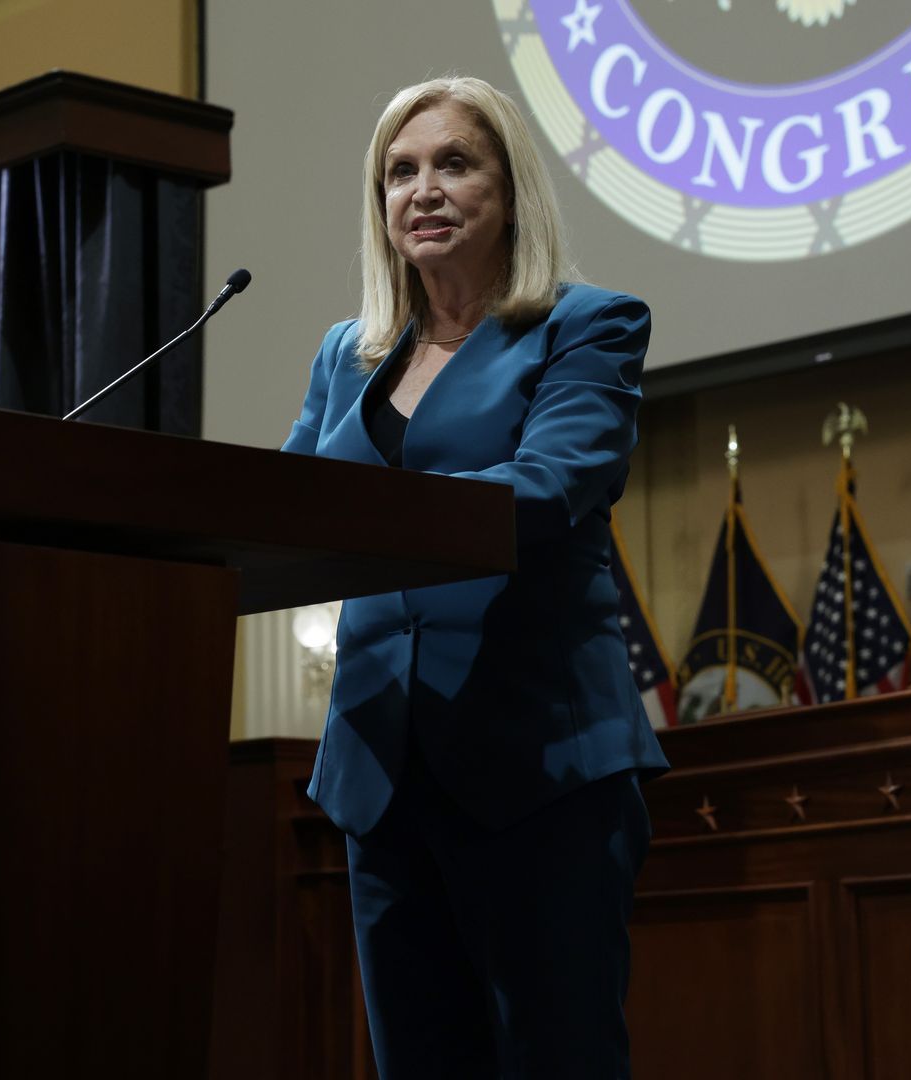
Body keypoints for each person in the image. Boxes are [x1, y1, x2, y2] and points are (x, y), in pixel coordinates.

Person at [280, 76, 669, 1079]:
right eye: (400, 173)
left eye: (455, 164)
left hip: (540, 755)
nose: (424, 190)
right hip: (380, 764)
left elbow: (549, 485)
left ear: (510, 190)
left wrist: (365, 518)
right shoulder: (348, 353)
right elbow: (277, 505)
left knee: (557, 1057)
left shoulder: (586, 324)